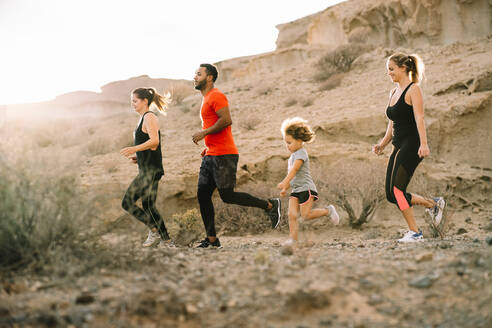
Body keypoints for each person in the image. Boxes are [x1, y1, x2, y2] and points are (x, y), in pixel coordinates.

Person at [192, 63, 281, 248]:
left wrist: (203, 134)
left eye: (199, 74)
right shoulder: (206, 98)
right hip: (211, 154)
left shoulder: (216, 95)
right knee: (202, 195)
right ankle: (212, 239)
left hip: (224, 155)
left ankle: (271, 206)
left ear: (209, 78)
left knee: (227, 196)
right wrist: (208, 146)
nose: (195, 77)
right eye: (195, 74)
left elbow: (226, 120)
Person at [372, 53, 445, 243]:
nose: (389, 73)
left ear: (403, 68)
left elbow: (420, 118)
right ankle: (433, 204)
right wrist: (382, 143)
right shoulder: (393, 92)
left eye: (391, 69)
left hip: (412, 144)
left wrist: (424, 144)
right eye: (388, 70)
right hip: (398, 145)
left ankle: (415, 232)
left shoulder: (414, 90)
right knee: (391, 195)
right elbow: (392, 123)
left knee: (397, 190)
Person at [120, 87, 172, 247]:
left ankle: (156, 232)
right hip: (148, 168)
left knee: (128, 202)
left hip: (151, 170)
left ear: (145, 101)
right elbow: (150, 146)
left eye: (135, 101)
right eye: (131, 102)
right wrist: (139, 156)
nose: (132, 104)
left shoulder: (149, 117)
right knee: (148, 205)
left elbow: (154, 141)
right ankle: (167, 241)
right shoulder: (143, 118)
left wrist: (134, 148)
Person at [277, 117, 340, 246]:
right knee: (291, 214)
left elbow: (294, 170)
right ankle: (293, 240)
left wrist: (284, 182)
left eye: (289, 142)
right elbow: (292, 175)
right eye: (286, 143)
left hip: (306, 189)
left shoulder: (301, 153)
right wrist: (285, 188)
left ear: (299, 140)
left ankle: (328, 211)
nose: (287, 146)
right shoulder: (291, 157)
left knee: (305, 215)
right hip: (296, 189)